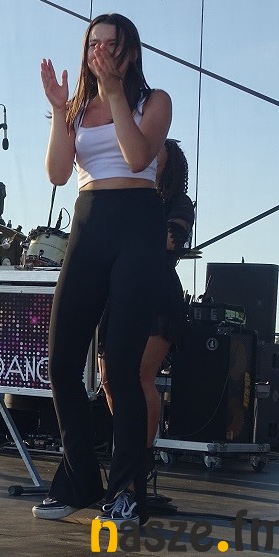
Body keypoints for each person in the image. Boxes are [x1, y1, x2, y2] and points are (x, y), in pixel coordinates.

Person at [32, 13, 172, 526]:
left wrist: (113, 93)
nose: (100, 52)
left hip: (136, 222)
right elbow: (57, 173)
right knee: (61, 362)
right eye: (93, 44)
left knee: (121, 367)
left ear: (129, 52)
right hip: (89, 221)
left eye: (110, 45)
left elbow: (137, 158)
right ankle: (80, 479)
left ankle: (127, 490)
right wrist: (57, 110)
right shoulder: (77, 107)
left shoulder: (152, 102)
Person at [98, 139, 195, 453]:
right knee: (109, 378)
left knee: (141, 376)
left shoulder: (178, 202)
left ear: (169, 165)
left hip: (157, 293)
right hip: (118, 292)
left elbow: (172, 240)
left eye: (156, 153)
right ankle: (127, 445)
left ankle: (142, 456)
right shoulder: (126, 196)